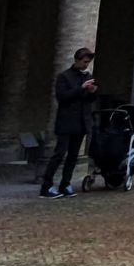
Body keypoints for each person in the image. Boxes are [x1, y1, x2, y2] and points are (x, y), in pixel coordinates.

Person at [41, 47, 97, 198]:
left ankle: (65, 184)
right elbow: (62, 97)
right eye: (84, 62)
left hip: (81, 122)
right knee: (59, 154)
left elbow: (88, 100)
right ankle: (46, 186)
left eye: (88, 62)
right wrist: (81, 88)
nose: (86, 65)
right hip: (66, 121)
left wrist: (92, 92)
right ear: (77, 60)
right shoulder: (64, 77)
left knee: (73, 156)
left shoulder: (87, 76)